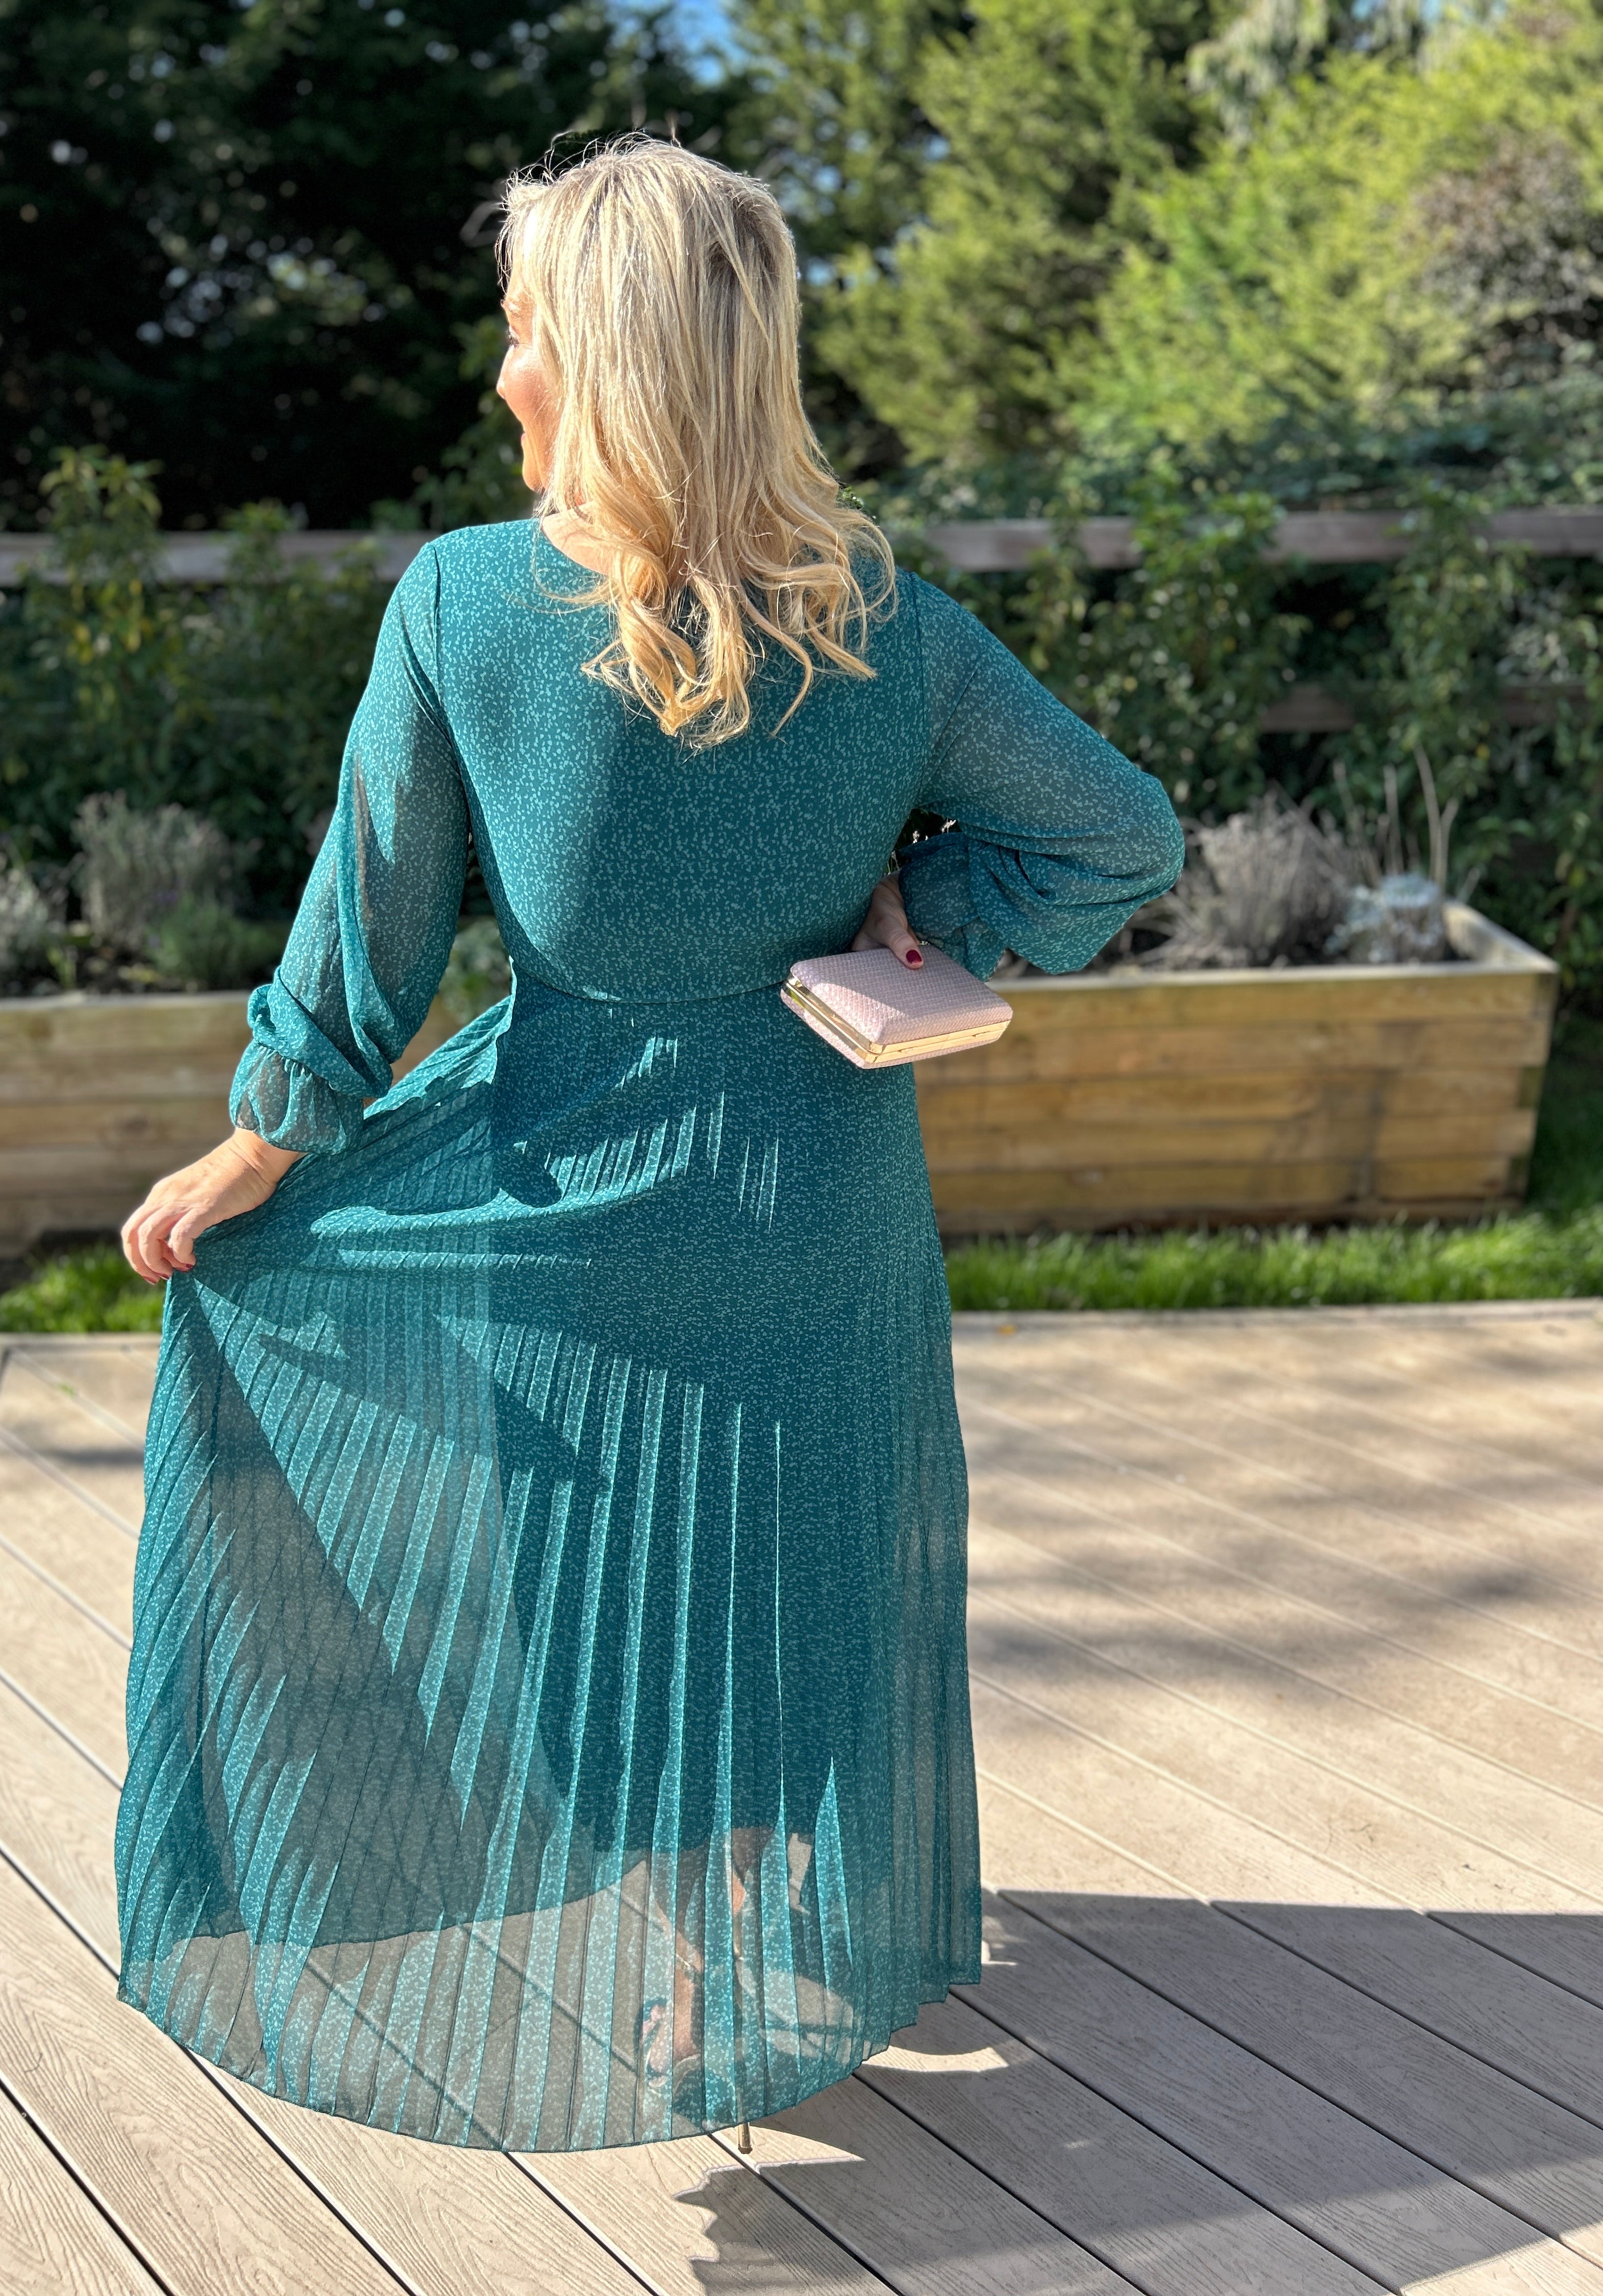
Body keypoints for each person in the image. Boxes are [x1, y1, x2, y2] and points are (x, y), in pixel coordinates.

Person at [114, 136, 1183, 2154]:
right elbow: (1123, 835)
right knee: (783, 1568)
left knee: (611, 1583)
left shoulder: (461, 606)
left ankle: (688, 1964)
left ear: (600, 359)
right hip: (814, 1188)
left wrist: (264, 1146)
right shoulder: (884, 623)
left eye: (522, 330)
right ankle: (746, 1943)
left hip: (573, 1195)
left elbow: (367, 936)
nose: (498, 370)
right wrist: (932, 908)